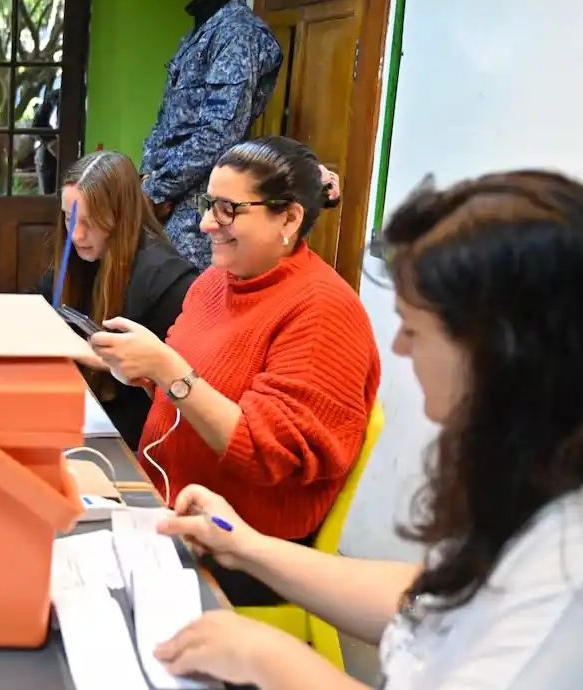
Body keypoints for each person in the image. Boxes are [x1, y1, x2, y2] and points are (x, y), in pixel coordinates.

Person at [152, 170, 583, 690]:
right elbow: (429, 600)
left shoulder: (569, 559)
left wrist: (265, 656)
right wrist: (247, 546)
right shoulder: (533, 478)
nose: (401, 349)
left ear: (501, 353)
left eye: (413, 328)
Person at [89, 136, 379, 605]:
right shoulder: (214, 284)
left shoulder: (324, 312)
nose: (206, 223)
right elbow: (195, 396)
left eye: (227, 210)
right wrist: (140, 371)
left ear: (288, 218)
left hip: (248, 545)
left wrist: (170, 370)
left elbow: (270, 456)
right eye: (209, 204)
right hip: (169, 503)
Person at [140, 0, 283, 269]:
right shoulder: (205, 29)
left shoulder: (237, 33)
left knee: (183, 304)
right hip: (170, 202)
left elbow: (220, 133)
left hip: (200, 210)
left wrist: (155, 190)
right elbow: (173, 124)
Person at [35, 151, 198, 448]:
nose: (76, 234)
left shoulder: (167, 281)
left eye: (90, 221)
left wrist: (106, 360)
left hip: (137, 437)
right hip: (86, 412)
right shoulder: (81, 257)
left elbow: (176, 391)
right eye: (69, 218)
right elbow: (36, 304)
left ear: (120, 217)